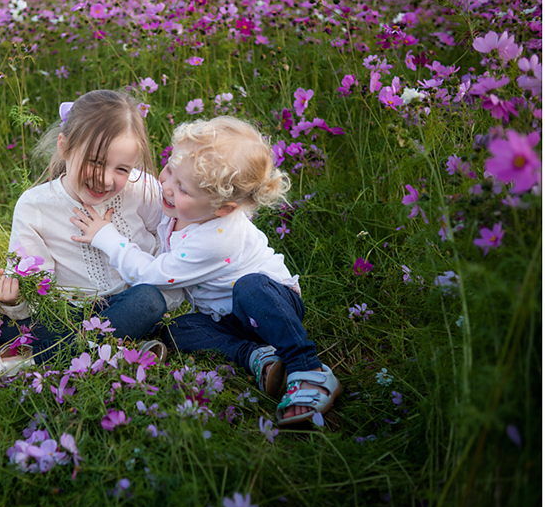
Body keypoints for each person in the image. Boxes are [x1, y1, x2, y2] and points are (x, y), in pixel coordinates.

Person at [67, 109, 340, 430]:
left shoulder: (215, 238)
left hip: (271, 305)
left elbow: (151, 274)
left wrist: (107, 238)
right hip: (225, 320)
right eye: (169, 170)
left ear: (223, 208)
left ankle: (307, 367)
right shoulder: (184, 205)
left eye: (183, 189)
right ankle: (255, 355)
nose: (167, 187)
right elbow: (151, 191)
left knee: (250, 287)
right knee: (174, 332)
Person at [0, 88, 168, 384]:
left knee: (150, 300)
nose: (106, 179)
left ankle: (26, 362)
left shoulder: (142, 190)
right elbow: (33, 285)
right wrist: (13, 300)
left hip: (125, 305)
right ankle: (118, 353)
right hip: (63, 313)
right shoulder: (36, 206)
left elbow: (169, 240)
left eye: (121, 168)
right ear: (65, 147)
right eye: (95, 162)